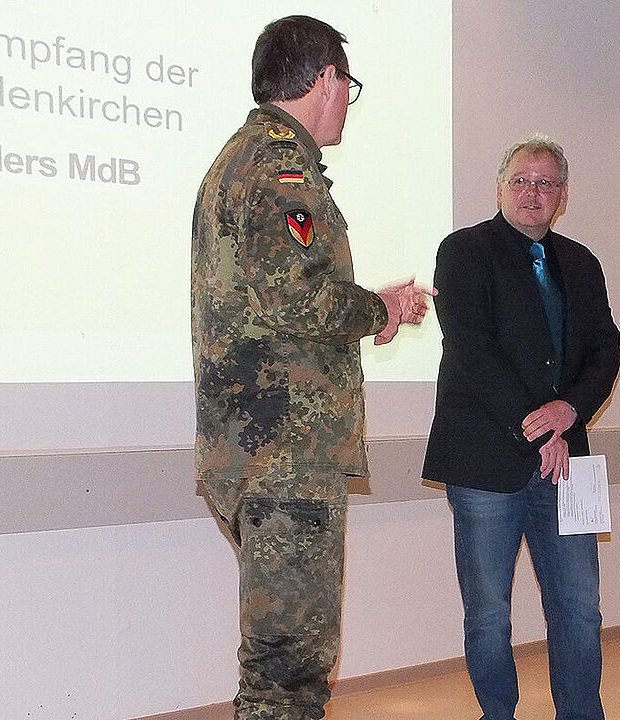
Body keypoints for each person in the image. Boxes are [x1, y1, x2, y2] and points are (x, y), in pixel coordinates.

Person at [191, 15, 433, 720]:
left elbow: (275, 292)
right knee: (289, 672)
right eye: (347, 85)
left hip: (264, 453)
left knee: (282, 660)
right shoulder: (279, 164)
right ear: (326, 78)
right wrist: (373, 309)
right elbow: (295, 293)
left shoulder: (244, 157)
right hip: (285, 459)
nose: (346, 102)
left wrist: (371, 307)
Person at [423, 134, 620, 720]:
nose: (533, 192)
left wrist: (570, 411)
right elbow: (473, 352)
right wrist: (540, 427)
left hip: (568, 465)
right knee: (489, 611)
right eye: (521, 180)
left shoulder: (583, 263)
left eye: (546, 182)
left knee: (580, 608)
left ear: (562, 195)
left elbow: (606, 352)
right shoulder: (463, 252)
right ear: (500, 188)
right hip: (486, 464)